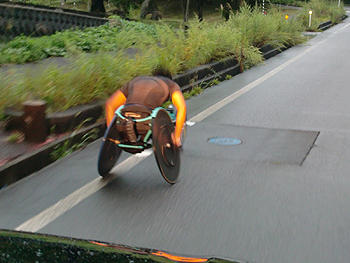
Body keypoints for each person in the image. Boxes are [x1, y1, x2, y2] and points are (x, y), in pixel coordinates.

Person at [105, 68, 187, 147]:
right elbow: (182, 107)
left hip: (124, 121)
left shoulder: (136, 80)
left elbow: (109, 104)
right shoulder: (171, 84)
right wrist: (176, 137)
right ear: (169, 79)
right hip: (146, 123)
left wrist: (112, 135)